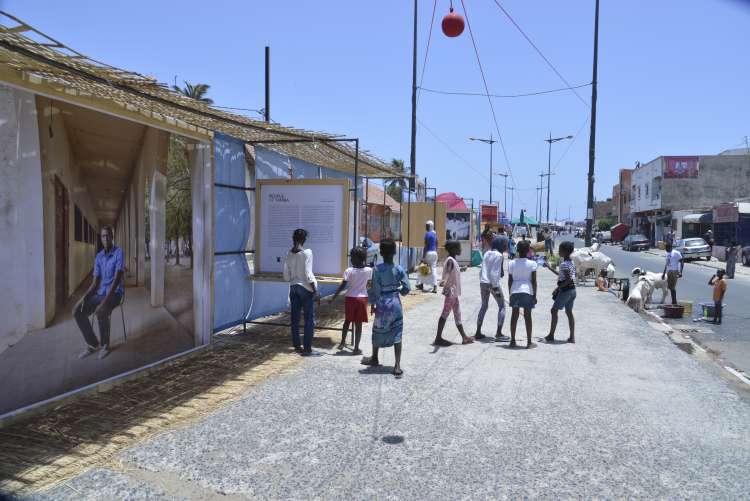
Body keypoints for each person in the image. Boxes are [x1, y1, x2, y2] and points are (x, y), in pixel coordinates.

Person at [74, 225, 125, 360]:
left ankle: (104, 345)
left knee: (100, 310)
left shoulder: (119, 252)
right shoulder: (99, 257)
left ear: (112, 237)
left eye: (108, 235)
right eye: (103, 236)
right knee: (77, 311)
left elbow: (117, 279)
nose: (106, 238)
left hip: (115, 294)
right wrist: (83, 298)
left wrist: (104, 302)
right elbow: (95, 283)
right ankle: (92, 344)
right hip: (101, 293)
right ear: (101, 238)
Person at [361, 238, 410, 377]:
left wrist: (372, 302)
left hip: (382, 304)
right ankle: (397, 365)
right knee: (397, 333)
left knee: (377, 330)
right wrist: (399, 291)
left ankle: (375, 358)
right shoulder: (399, 269)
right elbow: (407, 287)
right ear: (395, 252)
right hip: (395, 303)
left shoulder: (376, 269)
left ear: (381, 253)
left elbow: (373, 289)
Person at [329, 246, 372, 355]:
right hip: (362, 299)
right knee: (358, 325)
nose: (351, 259)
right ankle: (356, 348)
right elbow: (370, 284)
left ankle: (342, 342)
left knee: (347, 321)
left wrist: (333, 297)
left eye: (352, 257)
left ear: (357, 258)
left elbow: (343, 286)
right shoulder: (368, 270)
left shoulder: (349, 271)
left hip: (350, 298)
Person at [283, 228, 319, 355]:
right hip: (305, 288)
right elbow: (308, 274)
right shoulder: (307, 253)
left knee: (295, 318)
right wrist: (315, 291)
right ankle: (307, 347)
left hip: (293, 287)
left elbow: (286, 276)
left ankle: (297, 345)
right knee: (309, 318)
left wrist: (293, 279)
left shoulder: (288, 253)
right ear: (304, 239)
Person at [433, 240, 474, 346]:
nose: (460, 249)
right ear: (453, 250)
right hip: (451, 293)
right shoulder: (451, 261)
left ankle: (464, 337)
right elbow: (447, 274)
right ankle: (438, 338)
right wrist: (444, 281)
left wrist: (460, 270)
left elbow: (451, 272)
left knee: (457, 314)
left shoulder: (452, 260)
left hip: (453, 293)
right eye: (458, 248)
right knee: (445, 314)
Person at [475, 236, 508, 341]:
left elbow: (484, 269)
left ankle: (478, 332)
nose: (506, 246)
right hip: (493, 284)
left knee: (484, 306)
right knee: (502, 306)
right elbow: (494, 274)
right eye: (505, 244)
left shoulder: (487, 253)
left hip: (483, 283)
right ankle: (499, 333)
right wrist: (496, 288)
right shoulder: (499, 256)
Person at [508, 239, 537, 348]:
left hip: (515, 290)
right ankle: (529, 342)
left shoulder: (511, 263)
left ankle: (512, 341)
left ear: (517, 250)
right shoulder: (532, 264)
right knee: (528, 316)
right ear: (528, 250)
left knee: (514, 315)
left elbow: (510, 280)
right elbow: (534, 281)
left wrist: (510, 292)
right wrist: (534, 295)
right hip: (528, 291)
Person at [545, 240, 576, 343]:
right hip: (572, 290)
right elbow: (562, 275)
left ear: (566, 252)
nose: (558, 251)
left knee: (554, 311)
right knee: (569, 312)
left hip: (566, 291)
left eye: (560, 250)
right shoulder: (570, 262)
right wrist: (550, 268)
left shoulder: (564, 264)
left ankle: (551, 335)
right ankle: (572, 337)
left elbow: (567, 279)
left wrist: (559, 288)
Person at [417, 221, 438, 293]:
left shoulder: (427, 234)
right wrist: (436, 251)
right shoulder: (435, 234)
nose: (426, 227)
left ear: (430, 226)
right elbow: (437, 244)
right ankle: (435, 286)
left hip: (428, 253)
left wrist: (423, 256)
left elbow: (426, 246)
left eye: (427, 225)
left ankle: (421, 284)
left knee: (423, 267)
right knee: (433, 269)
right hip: (435, 253)